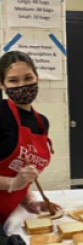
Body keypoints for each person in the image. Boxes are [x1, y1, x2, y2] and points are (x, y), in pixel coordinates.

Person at [0, 51, 61, 229]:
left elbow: (23, 169)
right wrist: (12, 183)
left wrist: (29, 200)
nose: (22, 85)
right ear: (2, 85)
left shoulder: (41, 122)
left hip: (9, 214)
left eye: (28, 78)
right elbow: (15, 178)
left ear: (37, 78)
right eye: (13, 80)